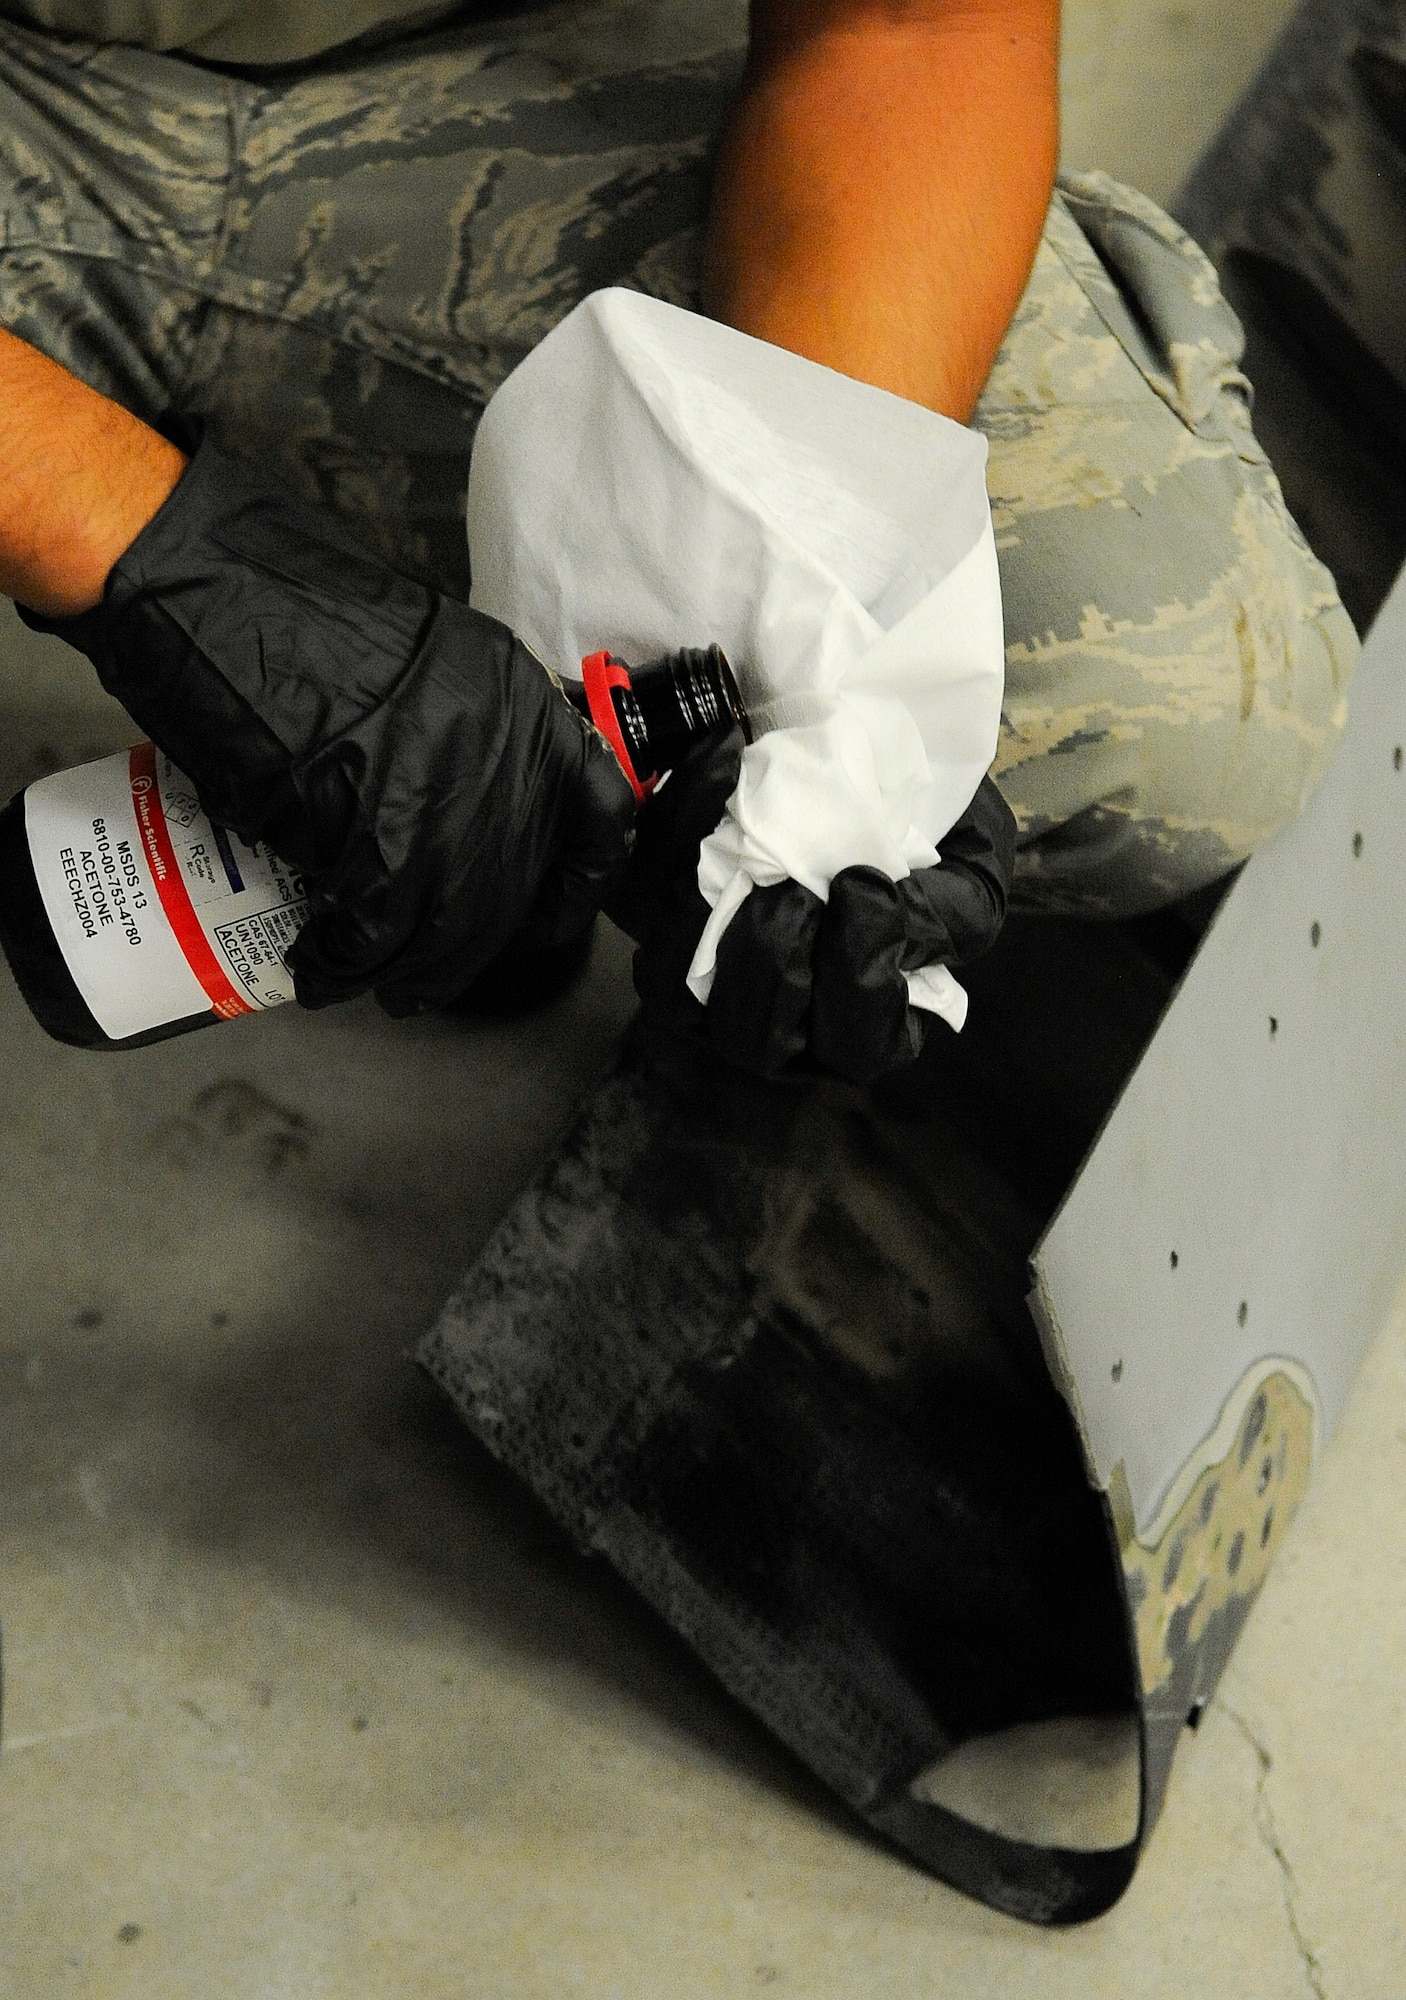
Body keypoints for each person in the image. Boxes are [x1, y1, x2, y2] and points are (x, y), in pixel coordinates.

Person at [0, 0, 1358, 1079]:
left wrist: (810, 650)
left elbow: (910, 28)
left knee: (1169, 683)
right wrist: (146, 538)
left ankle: (514, 800)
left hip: (474, 51)